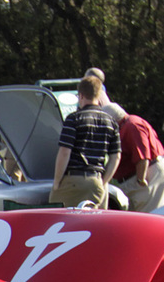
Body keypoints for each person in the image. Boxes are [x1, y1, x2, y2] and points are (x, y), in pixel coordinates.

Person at [50, 75, 119, 209]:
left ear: (80, 96)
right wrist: (103, 181)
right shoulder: (111, 122)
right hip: (97, 181)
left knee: (57, 220)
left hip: (73, 180)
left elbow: (65, 152)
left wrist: (57, 181)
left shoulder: (74, 119)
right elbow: (116, 157)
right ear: (99, 96)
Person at [107, 103, 164, 211]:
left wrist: (140, 180)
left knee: (148, 216)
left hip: (147, 174)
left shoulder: (132, 125)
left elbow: (143, 156)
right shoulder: (128, 124)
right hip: (139, 175)